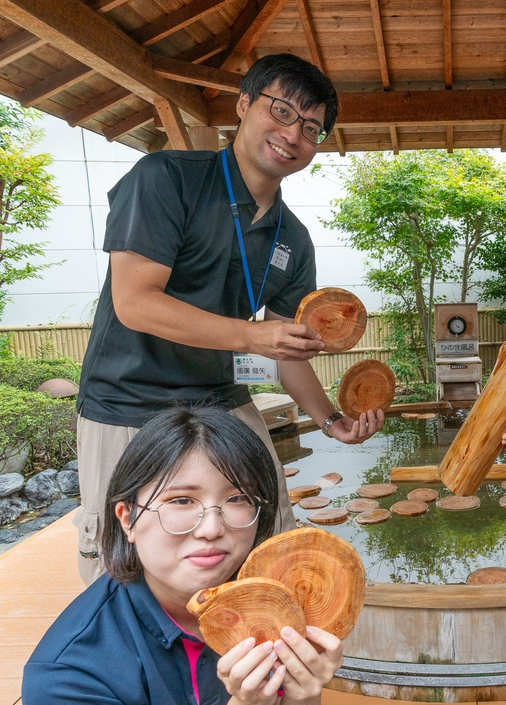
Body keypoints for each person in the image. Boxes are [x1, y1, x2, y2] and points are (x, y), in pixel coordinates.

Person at [75, 53, 384, 585]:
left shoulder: (293, 238)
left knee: (268, 541)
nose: (293, 134)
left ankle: (243, 658)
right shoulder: (167, 178)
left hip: (220, 401)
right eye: (282, 111)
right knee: (121, 567)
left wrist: (333, 422)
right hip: (127, 402)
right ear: (244, 104)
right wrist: (251, 335)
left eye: (311, 128)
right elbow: (135, 302)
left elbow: (284, 352)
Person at [23, 406, 344, 704]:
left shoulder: (276, 612)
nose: (211, 528)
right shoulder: (68, 677)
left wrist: (300, 695)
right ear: (127, 518)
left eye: (237, 498)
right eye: (181, 501)